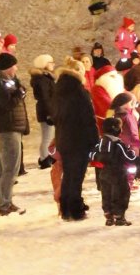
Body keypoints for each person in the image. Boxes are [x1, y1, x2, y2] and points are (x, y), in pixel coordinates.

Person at [53, 58, 98, 221]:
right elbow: (88, 118)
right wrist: (94, 140)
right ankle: (75, 209)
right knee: (76, 176)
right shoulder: (80, 91)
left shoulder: (58, 89)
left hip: (63, 138)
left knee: (69, 175)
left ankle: (66, 209)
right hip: (79, 139)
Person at [0, 52, 29, 216]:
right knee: (10, 168)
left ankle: (5, 202)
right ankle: (4, 204)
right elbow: (5, 105)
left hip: (10, 128)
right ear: (7, 68)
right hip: (6, 129)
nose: (16, 68)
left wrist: (18, 89)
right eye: (14, 65)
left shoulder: (8, 82)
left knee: (4, 169)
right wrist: (19, 94)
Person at [92, 116, 137, 226]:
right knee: (121, 193)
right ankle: (119, 217)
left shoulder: (101, 142)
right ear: (115, 129)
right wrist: (133, 153)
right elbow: (129, 157)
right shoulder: (118, 144)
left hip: (103, 172)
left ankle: (108, 216)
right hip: (118, 173)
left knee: (106, 194)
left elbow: (92, 155)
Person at [29, 54, 57, 169]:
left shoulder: (46, 78)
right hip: (46, 111)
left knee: (48, 135)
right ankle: (44, 158)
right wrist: (50, 113)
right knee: (47, 136)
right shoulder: (42, 80)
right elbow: (46, 98)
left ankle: (46, 156)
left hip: (47, 109)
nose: (53, 64)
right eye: (51, 62)